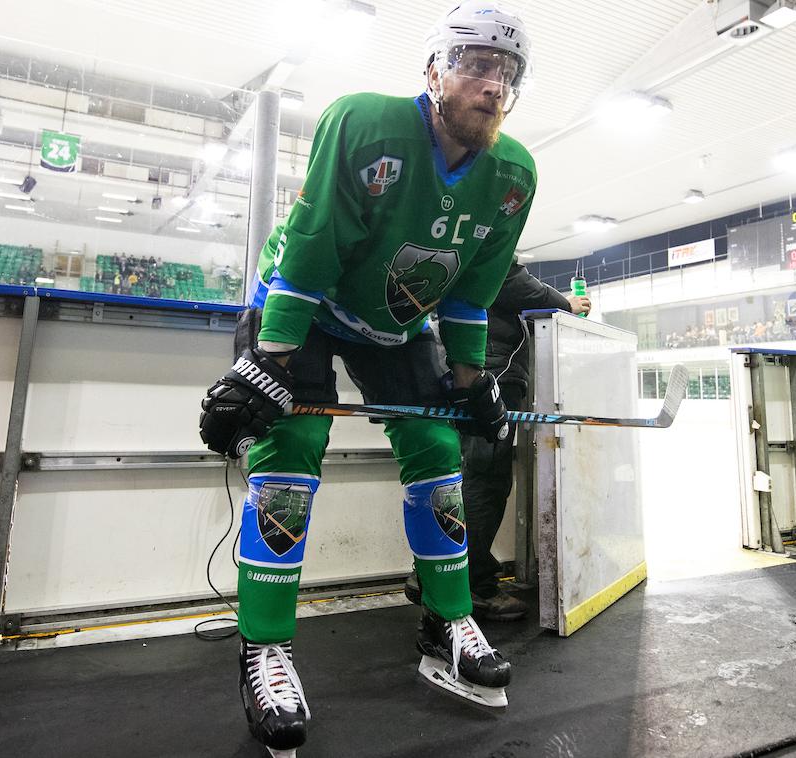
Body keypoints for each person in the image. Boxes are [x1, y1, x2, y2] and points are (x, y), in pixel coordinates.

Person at [198, 2, 536, 754]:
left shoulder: (515, 174)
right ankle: (266, 646)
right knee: (288, 454)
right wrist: (271, 363)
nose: (492, 83)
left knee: (437, 448)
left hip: (395, 322)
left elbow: (474, 288)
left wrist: (471, 380)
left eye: (506, 72)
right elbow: (313, 247)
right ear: (434, 70)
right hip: (304, 302)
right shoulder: (365, 123)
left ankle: (446, 618)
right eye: (476, 63)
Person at [405, 261, 589, 620]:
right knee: (485, 479)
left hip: (465, 365)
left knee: (457, 476)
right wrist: (565, 304)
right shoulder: (488, 228)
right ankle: (472, 585)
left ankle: (430, 573)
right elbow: (510, 279)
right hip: (490, 373)